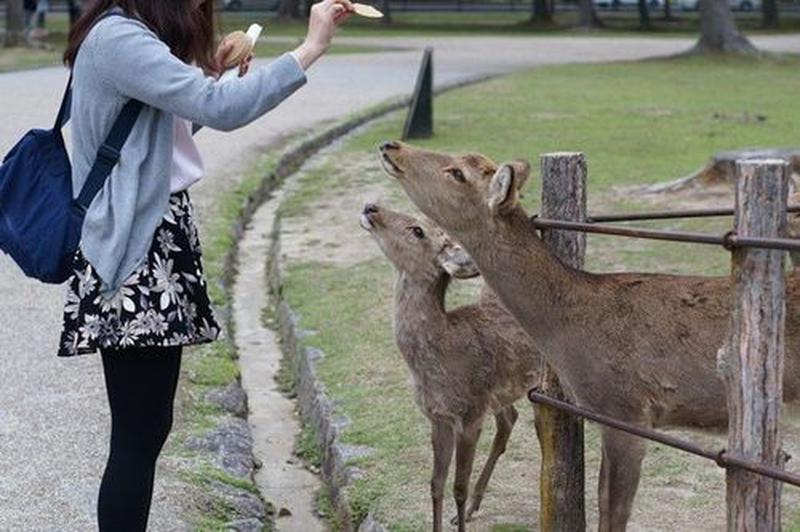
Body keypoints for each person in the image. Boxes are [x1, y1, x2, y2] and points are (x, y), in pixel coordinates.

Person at [59, 0, 353, 530]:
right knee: (136, 432)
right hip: (135, 254)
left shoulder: (132, 38)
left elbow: (163, 138)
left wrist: (208, 74)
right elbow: (218, 109)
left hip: (156, 243)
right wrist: (309, 49)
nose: (199, 5)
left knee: (148, 428)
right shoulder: (120, 39)